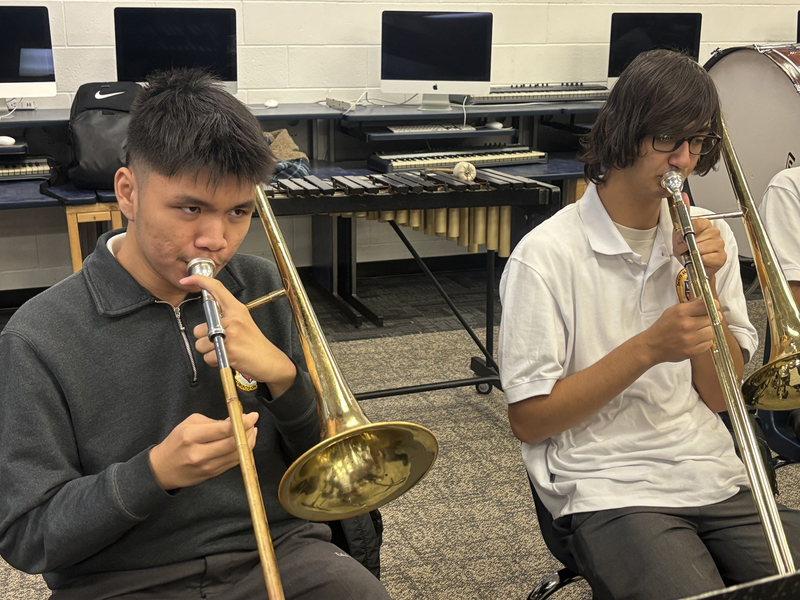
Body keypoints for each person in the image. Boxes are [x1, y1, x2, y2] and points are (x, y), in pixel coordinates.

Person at [0, 69, 391, 600]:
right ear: (128, 192)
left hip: (279, 549)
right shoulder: (37, 337)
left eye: (239, 212)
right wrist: (154, 473)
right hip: (117, 579)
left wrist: (283, 377)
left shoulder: (264, 286)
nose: (216, 240)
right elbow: (27, 538)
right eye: (190, 208)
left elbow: (341, 473)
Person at [498, 49, 800, 600]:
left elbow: (720, 395)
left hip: (709, 470)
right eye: (667, 140)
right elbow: (530, 420)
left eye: (698, 142)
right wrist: (648, 349)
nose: (683, 160)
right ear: (624, 131)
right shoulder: (544, 257)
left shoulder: (710, 239)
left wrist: (702, 283)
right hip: (605, 483)